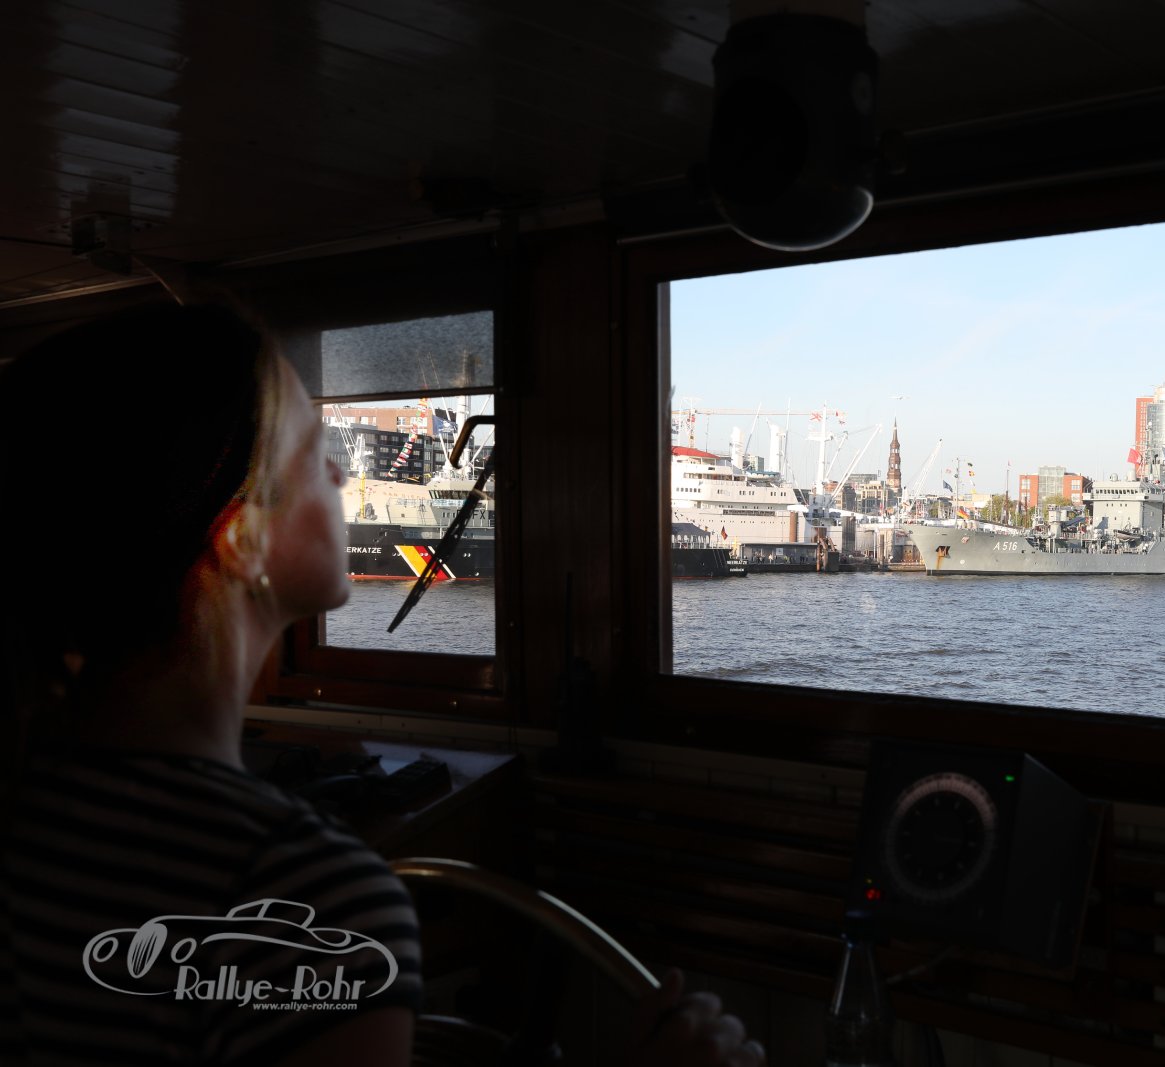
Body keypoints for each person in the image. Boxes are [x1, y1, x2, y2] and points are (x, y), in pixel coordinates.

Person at [0, 304, 764, 1067]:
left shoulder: (33, 805)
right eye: (312, 452)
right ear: (241, 538)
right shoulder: (311, 897)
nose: (340, 474)